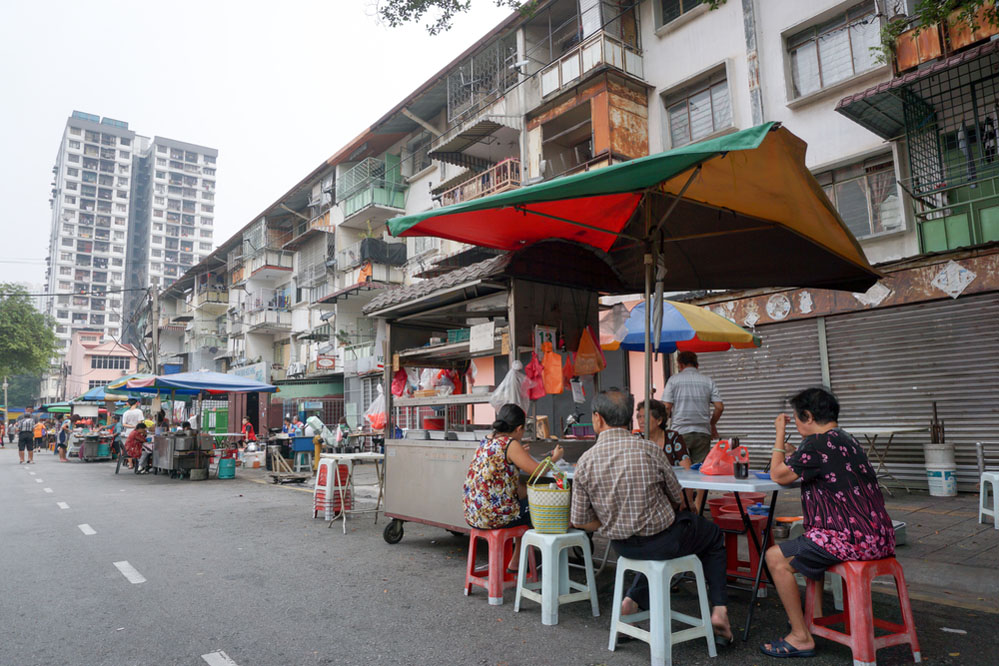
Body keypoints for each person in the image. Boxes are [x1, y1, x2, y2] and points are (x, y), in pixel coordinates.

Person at [570, 389, 733, 645]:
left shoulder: (585, 461)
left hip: (622, 546)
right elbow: (677, 498)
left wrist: (614, 521)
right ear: (628, 419)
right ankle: (720, 611)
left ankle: (631, 602)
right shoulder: (649, 450)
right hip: (663, 539)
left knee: (654, 549)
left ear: (597, 419)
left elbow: (580, 521)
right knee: (711, 534)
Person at [760, 387, 895, 658]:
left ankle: (800, 637)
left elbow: (778, 475)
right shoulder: (846, 439)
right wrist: (794, 451)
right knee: (808, 541)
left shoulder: (816, 444)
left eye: (798, 419)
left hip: (850, 540)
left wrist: (778, 435)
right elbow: (814, 463)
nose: (796, 424)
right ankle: (814, 618)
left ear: (808, 416)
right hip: (880, 537)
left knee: (775, 557)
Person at [462, 404, 564, 569]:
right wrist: (555, 458)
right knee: (540, 508)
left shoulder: (487, 439)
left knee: (522, 496)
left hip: (473, 513)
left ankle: (516, 561)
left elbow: (500, 461)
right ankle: (529, 561)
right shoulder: (510, 444)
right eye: (523, 431)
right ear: (519, 428)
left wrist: (517, 452)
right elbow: (536, 471)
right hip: (494, 516)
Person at [637, 398, 704, 511]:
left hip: (674, 495)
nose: (641, 421)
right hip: (646, 496)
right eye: (639, 416)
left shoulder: (673, 438)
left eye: (645, 417)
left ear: (659, 421)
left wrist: (687, 501)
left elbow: (688, 471)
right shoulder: (637, 440)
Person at [662, 351, 723, 463]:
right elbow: (719, 407)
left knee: (680, 470)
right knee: (699, 470)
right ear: (697, 365)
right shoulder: (708, 381)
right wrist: (712, 424)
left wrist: (662, 427)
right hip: (703, 432)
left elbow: (666, 407)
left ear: (680, 365)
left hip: (679, 433)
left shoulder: (673, 380)